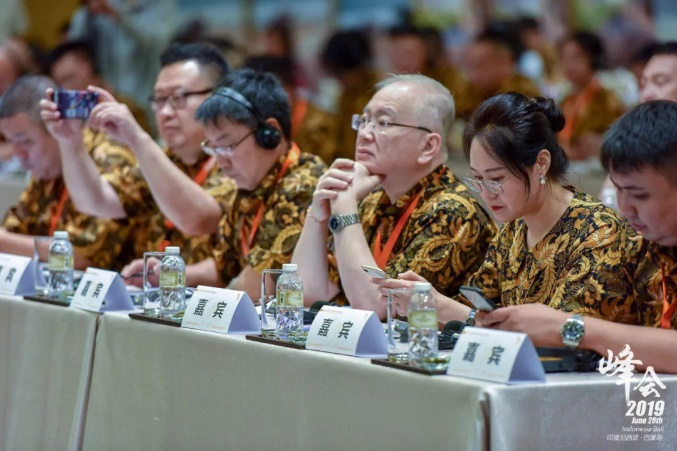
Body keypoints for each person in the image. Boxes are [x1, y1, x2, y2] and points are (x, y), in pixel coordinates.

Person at [374, 92, 638, 325]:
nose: (486, 193)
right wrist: (424, 301)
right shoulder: (512, 231)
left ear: (541, 164)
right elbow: (474, 308)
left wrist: (443, 307)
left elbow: (564, 335)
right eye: (478, 179)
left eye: (496, 179)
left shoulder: (598, 231)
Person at [476, 100, 677, 374]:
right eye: (618, 190)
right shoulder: (639, 242)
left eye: (639, 194)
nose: (626, 208)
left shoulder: (604, 231)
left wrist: (571, 327)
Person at [292, 74, 496, 318]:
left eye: (383, 123)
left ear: (428, 146)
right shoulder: (372, 201)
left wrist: (344, 207)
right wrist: (318, 212)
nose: (365, 133)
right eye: (364, 120)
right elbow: (308, 293)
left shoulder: (454, 211)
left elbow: (382, 309)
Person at [40, 42, 233, 267]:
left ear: (218, 98)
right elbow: (95, 201)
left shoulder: (233, 158)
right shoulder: (166, 158)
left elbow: (200, 219)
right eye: (159, 100)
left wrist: (136, 138)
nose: (166, 112)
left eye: (179, 98)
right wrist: (70, 140)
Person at [168, 69, 326, 299]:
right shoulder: (248, 186)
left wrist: (200, 305)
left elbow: (258, 286)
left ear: (269, 133)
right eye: (212, 147)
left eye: (227, 145)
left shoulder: (303, 185)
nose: (219, 161)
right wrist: (174, 272)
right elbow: (226, 268)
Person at [0, 75, 136, 270]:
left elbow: (86, 256)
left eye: (25, 142)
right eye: (10, 142)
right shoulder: (45, 169)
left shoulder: (109, 157)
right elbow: (16, 229)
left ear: (54, 127)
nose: (18, 155)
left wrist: (4, 242)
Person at [294, 30, 380, 165]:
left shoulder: (376, 96)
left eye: (342, 74)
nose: (341, 80)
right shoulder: (336, 95)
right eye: (336, 74)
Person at [45, 40, 152, 134]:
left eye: (70, 78)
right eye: (60, 83)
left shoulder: (126, 111)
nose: (66, 89)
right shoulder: (67, 123)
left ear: (95, 73)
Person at [558, 32, 624, 164]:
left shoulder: (607, 100)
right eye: (564, 58)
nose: (569, 64)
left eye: (576, 57)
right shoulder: (565, 100)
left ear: (594, 58)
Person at [463, 25, 541, 117]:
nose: (473, 75)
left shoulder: (526, 99)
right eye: (470, 66)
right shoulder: (469, 99)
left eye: (480, 65)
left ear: (505, 61)